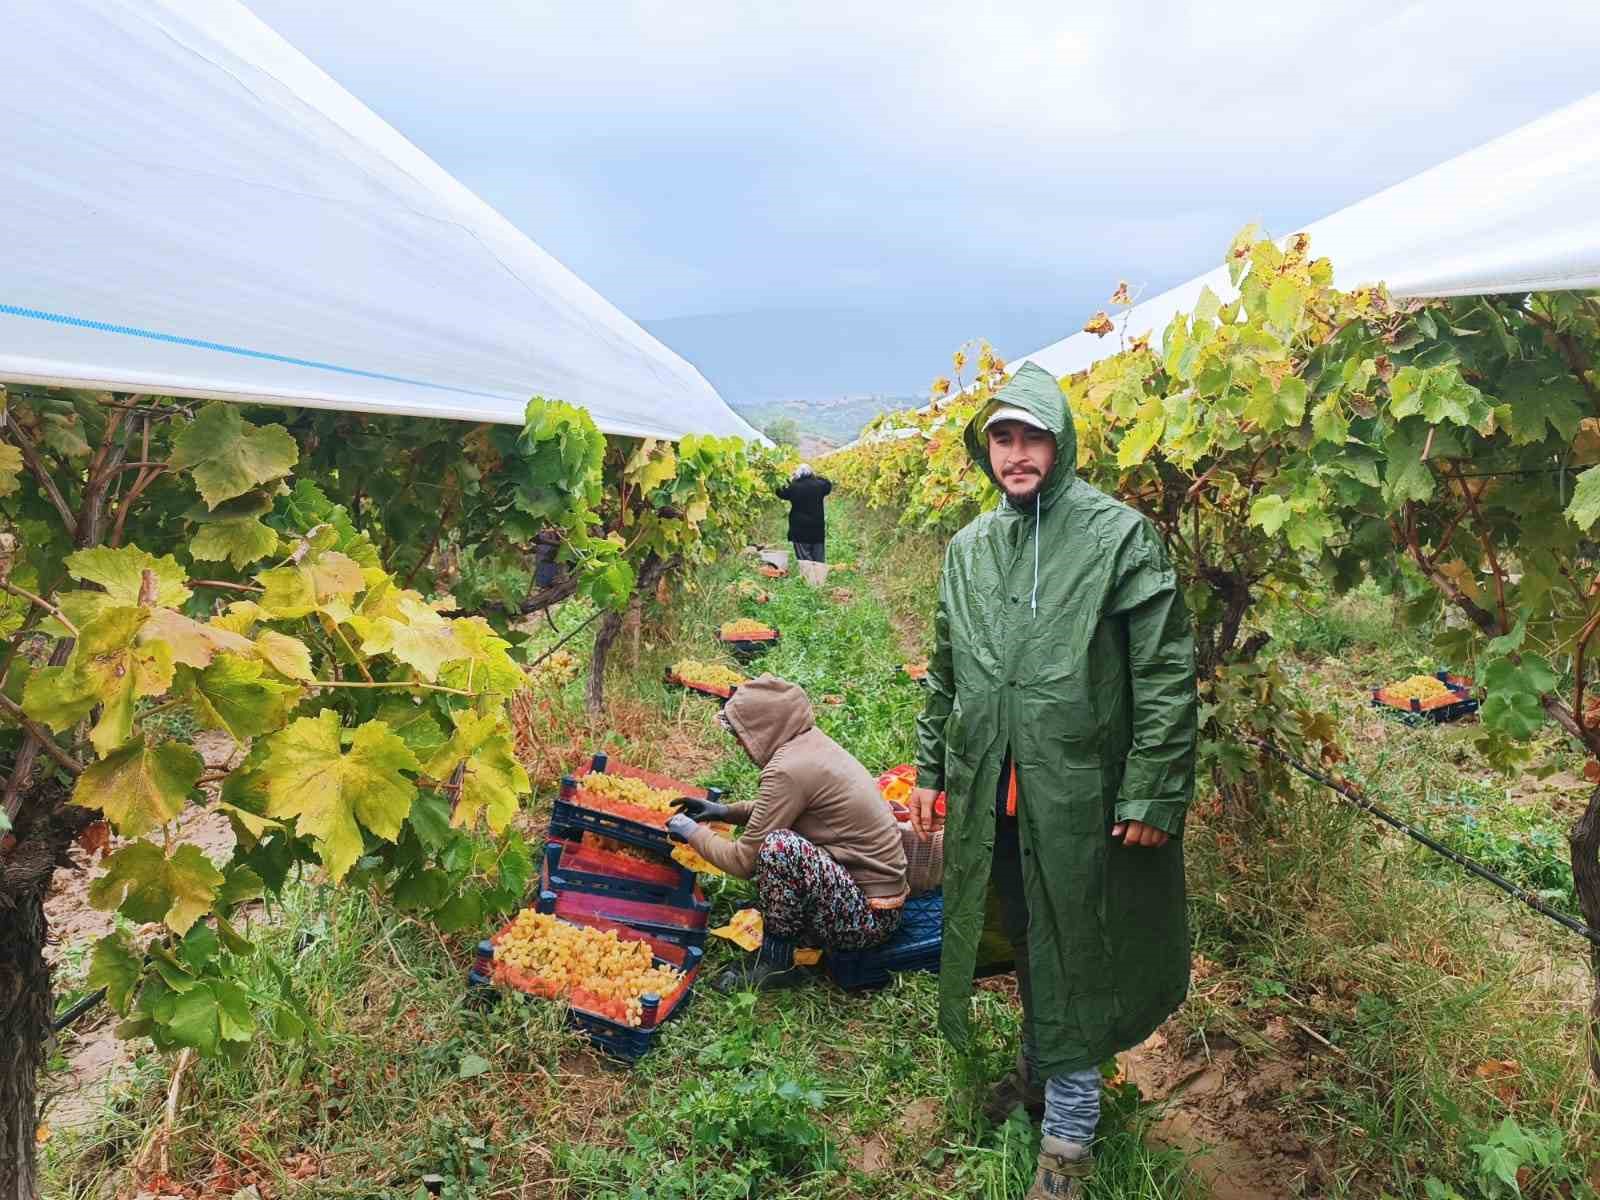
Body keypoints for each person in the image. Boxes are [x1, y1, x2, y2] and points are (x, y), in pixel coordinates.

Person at [908, 362, 1197, 1200]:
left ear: (1060, 441)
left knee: (1077, 949)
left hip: (1079, 797)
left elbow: (1165, 672)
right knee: (1031, 935)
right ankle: (1038, 1074)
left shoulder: (1117, 538)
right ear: (985, 448)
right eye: (1003, 436)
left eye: (1033, 435)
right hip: (991, 792)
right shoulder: (968, 549)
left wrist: (1151, 789)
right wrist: (931, 769)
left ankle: (1067, 1148)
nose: (1018, 452)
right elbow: (946, 670)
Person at [666, 675, 908, 992]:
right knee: (778, 842)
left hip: (864, 920)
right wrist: (725, 812)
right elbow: (785, 810)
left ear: (763, 728)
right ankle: (791, 924)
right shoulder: (809, 745)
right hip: (867, 898)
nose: (739, 742)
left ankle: (777, 964)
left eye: (740, 733)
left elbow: (743, 861)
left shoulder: (787, 769)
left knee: (779, 848)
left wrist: (692, 831)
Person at [776, 464, 832, 564]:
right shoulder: (820, 485)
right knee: (819, 558)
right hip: (817, 528)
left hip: (799, 529)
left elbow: (780, 492)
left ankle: (808, 577)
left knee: (804, 559)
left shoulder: (793, 487)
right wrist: (816, 476)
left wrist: (790, 479)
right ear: (811, 473)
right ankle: (819, 577)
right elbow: (828, 484)